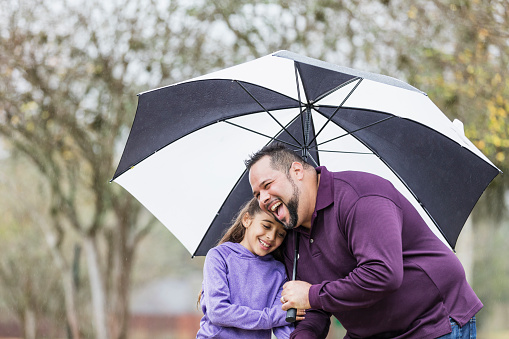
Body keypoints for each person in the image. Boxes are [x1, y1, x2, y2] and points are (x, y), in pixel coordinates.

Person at [246, 143, 481, 339]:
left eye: (267, 185)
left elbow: (383, 274)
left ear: (297, 171)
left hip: (433, 321)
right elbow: (314, 307)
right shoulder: (290, 236)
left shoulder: (360, 196)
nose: (263, 199)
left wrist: (311, 295)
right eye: (257, 194)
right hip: (371, 332)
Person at [196, 198, 304, 339]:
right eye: (266, 226)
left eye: (281, 234)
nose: (271, 237)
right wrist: (272, 317)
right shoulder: (219, 256)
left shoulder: (279, 271)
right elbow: (218, 311)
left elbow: (282, 323)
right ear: (247, 219)